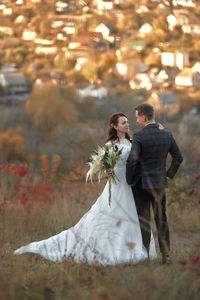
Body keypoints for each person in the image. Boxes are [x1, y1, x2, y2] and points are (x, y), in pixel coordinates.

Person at [14, 113, 157, 265]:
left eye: (127, 122)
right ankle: (111, 250)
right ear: (115, 126)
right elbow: (105, 165)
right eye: (123, 123)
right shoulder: (110, 145)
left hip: (130, 184)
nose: (127, 125)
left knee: (131, 216)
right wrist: (106, 170)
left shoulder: (131, 142)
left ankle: (133, 249)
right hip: (117, 183)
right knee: (112, 214)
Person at [126, 104, 183, 265]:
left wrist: (129, 180)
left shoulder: (138, 136)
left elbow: (132, 161)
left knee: (144, 220)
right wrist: (168, 175)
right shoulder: (167, 134)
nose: (136, 120)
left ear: (144, 117)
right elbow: (178, 157)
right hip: (159, 184)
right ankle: (166, 256)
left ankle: (145, 257)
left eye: (137, 117)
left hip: (141, 185)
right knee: (161, 219)